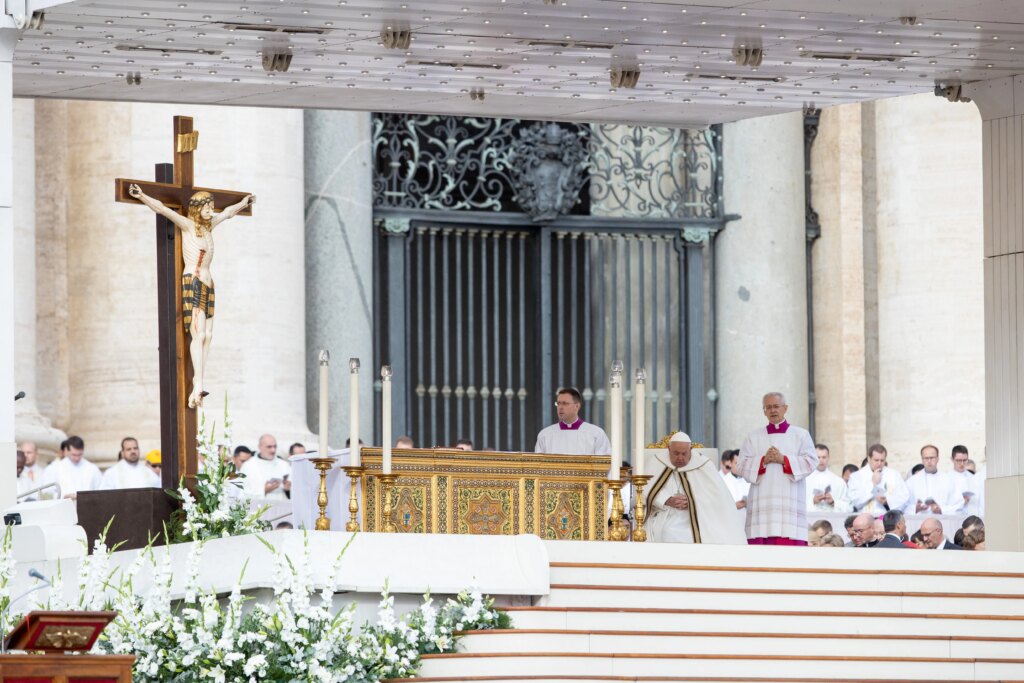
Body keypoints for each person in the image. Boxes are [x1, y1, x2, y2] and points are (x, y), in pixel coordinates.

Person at [128, 183, 255, 409]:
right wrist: (142, 195)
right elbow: (162, 209)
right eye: (207, 207)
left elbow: (228, 213)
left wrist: (244, 203)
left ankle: (199, 379)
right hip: (193, 281)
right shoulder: (187, 225)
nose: (211, 210)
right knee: (198, 333)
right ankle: (198, 382)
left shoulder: (209, 227)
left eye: (211, 206)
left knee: (209, 335)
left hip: (208, 282)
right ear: (197, 208)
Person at [734, 392, 818, 545]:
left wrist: (783, 460)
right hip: (762, 506)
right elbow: (740, 466)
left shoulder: (801, 435)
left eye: (776, 406)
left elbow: (812, 461)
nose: (773, 410)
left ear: (785, 408)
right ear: (764, 411)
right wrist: (763, 461)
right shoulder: (753, 436)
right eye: (768, 407)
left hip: (789, 506)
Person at [644, 432, 747, 545]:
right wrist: (667, 500)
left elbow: (716, 498)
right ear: (669, 449)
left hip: (699, 515)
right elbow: (644, 490)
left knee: (708, 535)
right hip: (666, 514)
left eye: (684, 453)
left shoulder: (704, 464)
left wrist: (693, 501)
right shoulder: (656, 462)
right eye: (676, 453)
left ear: (691, 449)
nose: (680, 458)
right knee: (668, 532)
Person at [534, 387, 611, 456]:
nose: (560, 407)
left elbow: (605, 466)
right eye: (558, 403)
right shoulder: (545, 435)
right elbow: (538, 466)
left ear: (577, 406)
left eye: (565, 403)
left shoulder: (596, 434)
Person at [847, 444, 911, 515]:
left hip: (887, 518)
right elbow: (855, 501)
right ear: (869, 459)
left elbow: (904, 497)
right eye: (876, 460)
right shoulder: (856, 476)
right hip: (865, 517)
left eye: (882, 460)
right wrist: (873, 484)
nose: (879, 463)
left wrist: (887, 501)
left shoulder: (894, 474)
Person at [906, 444, 958, 515]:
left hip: (942, 521)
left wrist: (941, 509)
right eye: (926, 458)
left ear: (937, 459)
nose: (929, 461)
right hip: (919, 521)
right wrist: (916, 508)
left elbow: (957, 505)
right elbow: (904, 505)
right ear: (922, 459)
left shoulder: (948, 480)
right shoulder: (911, 481)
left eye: (932, 458)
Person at [239, 434, 291, 500]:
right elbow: (242, 494)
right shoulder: (248, 466)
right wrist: (264, 491)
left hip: (282, 508)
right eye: (269, 447)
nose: (273, 450)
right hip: (258, 509)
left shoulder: (284, 465)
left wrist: (288, 489)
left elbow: (294, 493)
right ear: (260, 447)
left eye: (275, 446)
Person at [805, 444, 852, 512]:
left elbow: (849, 507)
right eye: (818, 457)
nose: (821, 460)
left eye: (824, 457)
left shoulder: (838, 481)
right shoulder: (805, 480)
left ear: (828, 457)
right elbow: (796, 505)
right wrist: (813, 501)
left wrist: (833, 502)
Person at [950, 445, 982, 515]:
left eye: (964, 460)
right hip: (953, 516)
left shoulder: (974, 478)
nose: (962, 464)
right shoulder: (946, 478)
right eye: (958, 460)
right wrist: (961, 501)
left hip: (971, 516)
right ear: (952, 459)